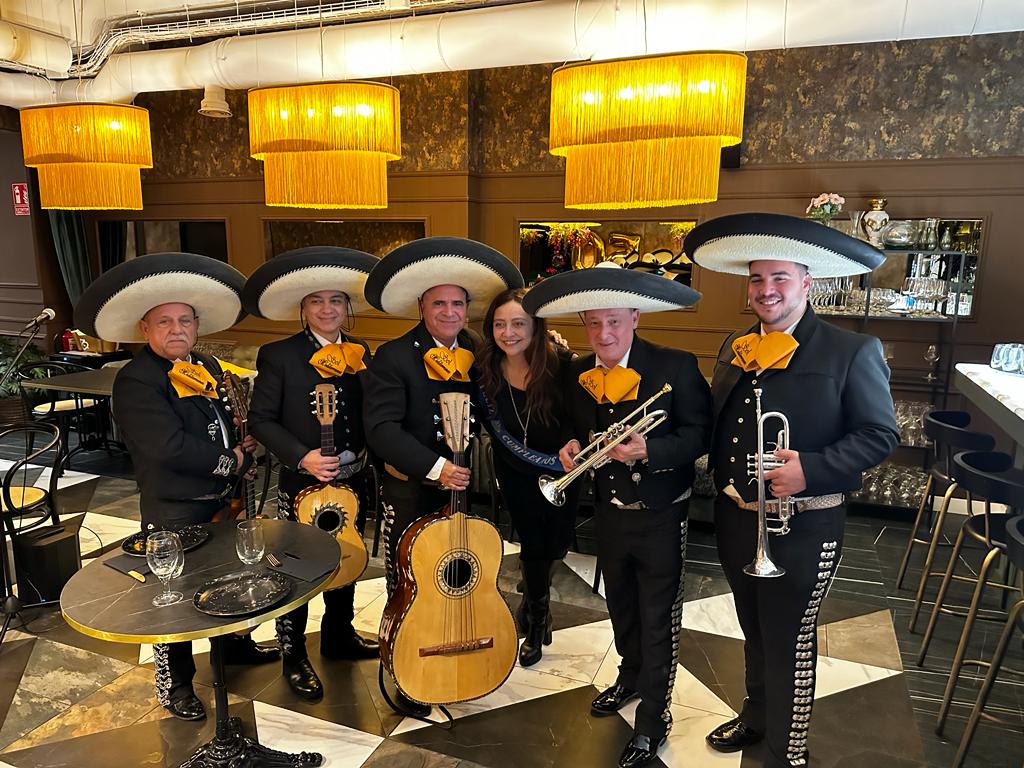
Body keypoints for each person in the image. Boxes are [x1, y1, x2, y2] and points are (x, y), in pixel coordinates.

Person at [685, 213, 900, 768]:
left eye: (779, 278)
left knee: (790, 641)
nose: (766, 290)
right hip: (738, 517)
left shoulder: (850, 350)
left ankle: (788, 750)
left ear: (808, 282)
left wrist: (815, 467)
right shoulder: (736, 344)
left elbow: (881, 434)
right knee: (753, 629)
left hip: (804, 523)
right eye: (756, 280)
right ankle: (757, 719)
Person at [74, 253, 280, 722]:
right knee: (173, 596)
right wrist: (234, 460)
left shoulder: (204, 362)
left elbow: (216, 419)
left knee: (228, 577)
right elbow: (167, 447)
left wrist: (238, 434)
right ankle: (176, 684)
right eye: (164, 321)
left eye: (184, 320)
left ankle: (234, 647)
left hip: (223, 499)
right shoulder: (136, 380)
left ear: (196, 326)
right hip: (176, 506)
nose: (176, 329)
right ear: (145, 329)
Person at [523, 263, 712, 768]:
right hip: (608, 512)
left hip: (660, 515)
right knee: (621, 605)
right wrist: (569, 445)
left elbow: (699, 435)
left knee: (657, 618)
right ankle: (630, 676)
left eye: (614, 322)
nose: (604, 334)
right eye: (593, 323)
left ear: (634, 317)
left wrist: (649, 450)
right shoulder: (579, 373)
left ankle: (654, 718)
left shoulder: (676, 366)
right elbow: (574, 426)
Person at [363, 236, 524, 715]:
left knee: (452, 575)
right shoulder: (394, 356)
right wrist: (436, 467)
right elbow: (382, 429)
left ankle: (452, 657)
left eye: (458, 303)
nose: (450, 311)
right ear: (422, 306)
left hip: (459, 492)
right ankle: (403, 677)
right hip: (411, 487)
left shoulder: (478, 348)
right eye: (440, 304)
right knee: (408, 586)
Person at [243, 246, 381, 702]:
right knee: (296, 569)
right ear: (303, 309)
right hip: (301, 480)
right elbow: (261, 419)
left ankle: (339, 633)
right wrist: (303, 456)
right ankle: (293, 653)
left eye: (336, 301)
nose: (328, 309)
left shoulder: (362, 353)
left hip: (354, 479)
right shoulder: (279, 354)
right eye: (317, 301)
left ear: (348, 308)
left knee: (347, 554)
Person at [476, 288, 577, 667]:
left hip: (563, 472)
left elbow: (583, 421)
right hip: (516, 471)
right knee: (533, 546)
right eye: (499, 324)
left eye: (519, 323)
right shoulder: (484, 367)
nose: (508, 332)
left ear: (537, 327)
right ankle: (537, 621)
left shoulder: (564, 364)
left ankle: (535, 592)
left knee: (557, 545)